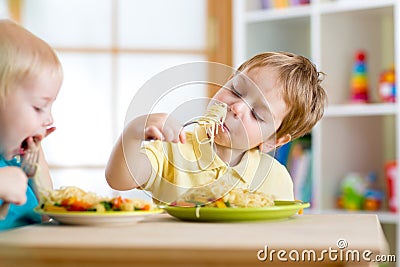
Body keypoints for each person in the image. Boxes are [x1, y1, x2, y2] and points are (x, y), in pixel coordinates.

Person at [105, 52, 326, 204]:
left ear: (272, 141)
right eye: (236, 91)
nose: (237, 107)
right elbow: (120, 180)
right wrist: (133, 132)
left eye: (256, 114)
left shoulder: (275, 178)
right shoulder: (175, 147)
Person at [0, 19, 63, 231]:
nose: (50, 120)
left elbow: (47, 217)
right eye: (38, 108)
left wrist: (39, 175)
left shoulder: (16, 160)